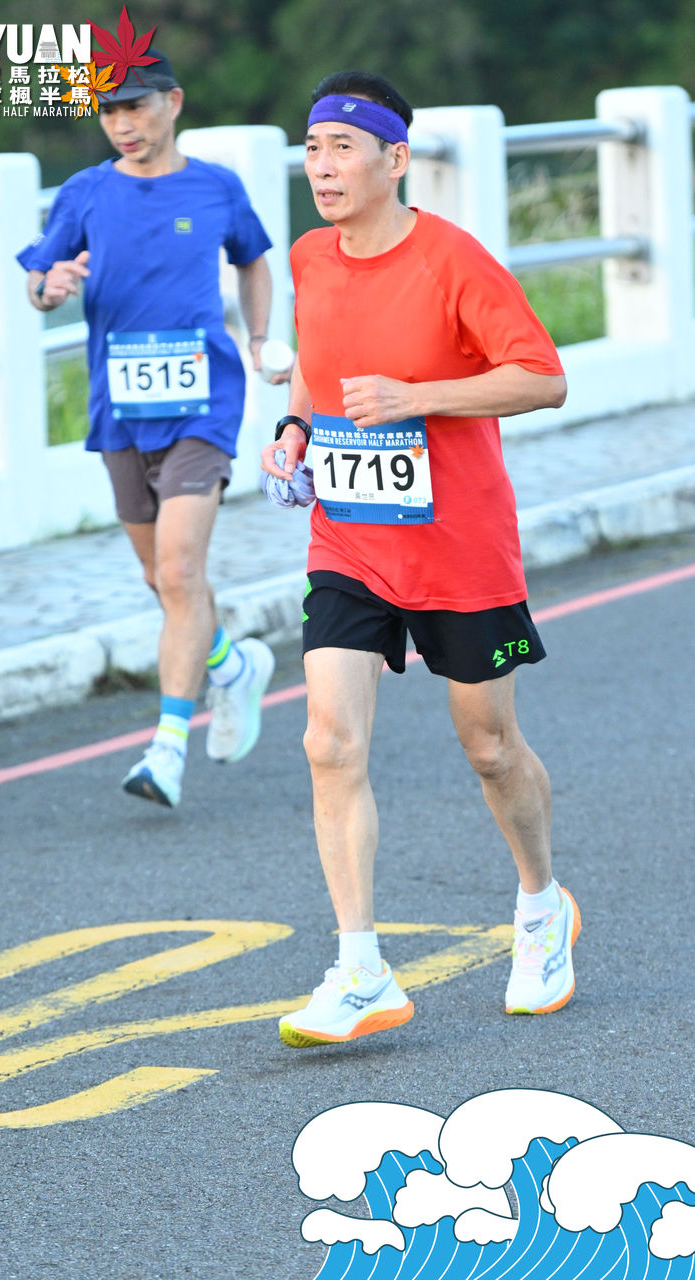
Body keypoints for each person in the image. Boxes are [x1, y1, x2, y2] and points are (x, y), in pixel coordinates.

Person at [261, 70, 579, 1048]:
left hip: (457, 546)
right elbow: (315, 368)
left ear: (393, 159)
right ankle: (360, 970)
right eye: (312, 149)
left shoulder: (452, 261)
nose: (322, 168)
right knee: (328, 742)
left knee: (488, 746)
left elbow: (543, 379)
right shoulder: (310, 258)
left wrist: (419, 395)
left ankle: (541, 905)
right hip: (349, 538)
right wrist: (293, 429)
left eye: (342, 149)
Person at [17, 50, 279, 809]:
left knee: (179, 570)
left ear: (174, 102)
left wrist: (261, 339)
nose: (122, 124)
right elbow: (40, 280)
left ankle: (167, 747)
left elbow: (254, 262)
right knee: (160, 578)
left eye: (135, 106)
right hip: (121, 409)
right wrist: (50, 286)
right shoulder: (86, 192)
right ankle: (233, 667)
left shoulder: (216, 186)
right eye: (108, 111)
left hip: (204, 403)